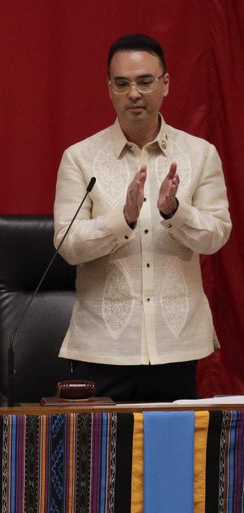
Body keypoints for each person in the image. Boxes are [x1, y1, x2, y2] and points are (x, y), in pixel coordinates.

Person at [53, 34, 231, 402]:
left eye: (145, 81)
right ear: (109, 89)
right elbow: (68, 246)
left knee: (172, 458)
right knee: (97, 459)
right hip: (101, 349)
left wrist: (174, 212)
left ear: (165, 85)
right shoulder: (79, 158)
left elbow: (216, 236)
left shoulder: (200, 154)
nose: (134, 93)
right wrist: (124, 218)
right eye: (122, 83)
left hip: (176, 345)